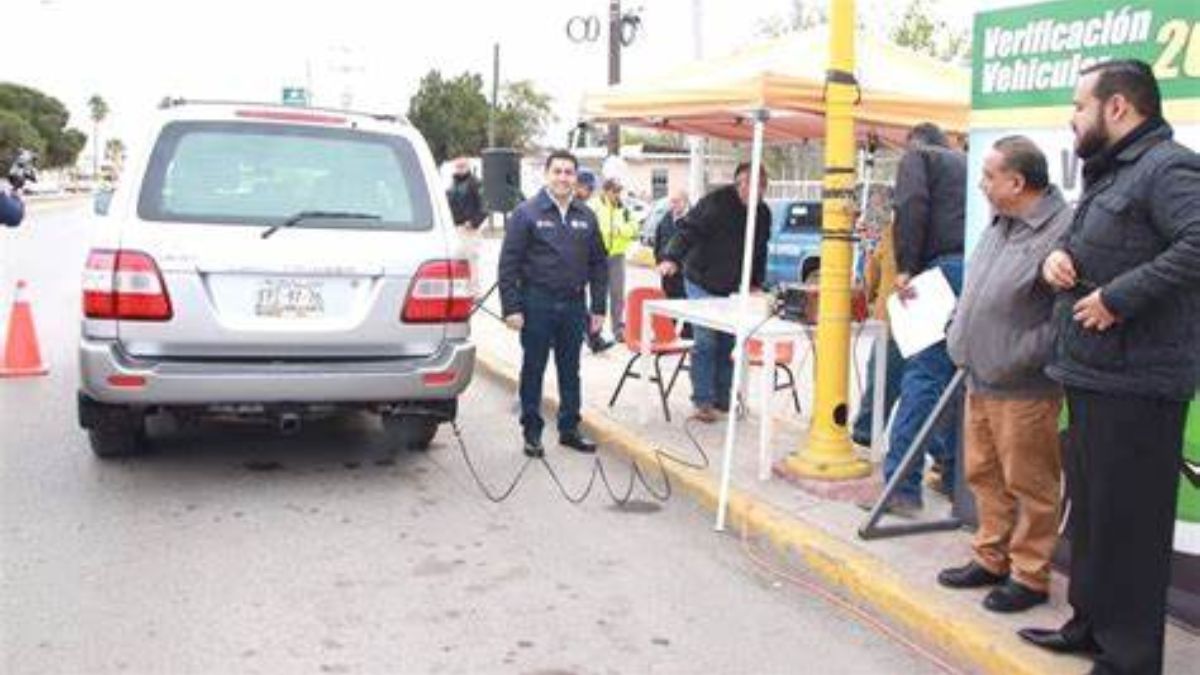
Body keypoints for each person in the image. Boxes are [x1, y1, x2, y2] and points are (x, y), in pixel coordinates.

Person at [1020, 60, 1200, 674]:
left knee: (1131, 525)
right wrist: (1058, 261)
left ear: (1117, 107)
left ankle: (1130, 657)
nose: (1072, 117)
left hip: (1141, 382)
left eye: (1079, 106)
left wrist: (1119, 298)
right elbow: (1087, 243)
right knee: (1095, 515)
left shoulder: (1169, 167)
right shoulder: (1110, 173)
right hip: (1095, 375)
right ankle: (1089, 626)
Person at [938, 136, 1072, 614]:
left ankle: (1030, 576)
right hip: (979, 377)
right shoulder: (1001, 223)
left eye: (989, 176)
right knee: (984, 474)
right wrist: (959, 332)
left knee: (1031, 483)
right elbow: (978, 289)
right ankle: (990, 558)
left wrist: (1016, 357)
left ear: (1016, 182)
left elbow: (1066, 316)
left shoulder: (1064, 229)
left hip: (1024, 386)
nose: (981, 184)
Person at [876, 122, 967, 517]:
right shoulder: (967, 163)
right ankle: (951, 477)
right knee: (956, 382)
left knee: (925, 376)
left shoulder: (919, 158)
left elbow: (910, 205)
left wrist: (906, 267)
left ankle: (901, 487)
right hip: (979, 272)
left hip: (940, 270)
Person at [497, 150, 609, 458]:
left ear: (576, 178)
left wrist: (599, 307)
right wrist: (512, 308)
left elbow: (599, 263)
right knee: (533, 368)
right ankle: (532, 432)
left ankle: (569, 429)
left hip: (574, 305)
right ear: (547, 175)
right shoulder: (526, 213)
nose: (563, 178)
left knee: (570, 370)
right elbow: (509, 264)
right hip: (537, 303)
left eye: (569, 172)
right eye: (557, 171)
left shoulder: (586, 215)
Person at [657, 162, 771, 423]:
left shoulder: (763, 213)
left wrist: (756, 282)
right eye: (748, 185)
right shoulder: (716, 203)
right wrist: (672, 258)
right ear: (737, 184)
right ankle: (703, 402)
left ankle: (724, 399)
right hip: (701, 280)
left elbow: (760, 250)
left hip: (733, 287)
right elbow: (688, 230)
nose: (754, 191)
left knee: (729, 342)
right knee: (707, 340)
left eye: (760, 186)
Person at [591, 177, 640, 343]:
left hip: (617, 256)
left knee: (617, 294)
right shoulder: (594, 206)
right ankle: (594, 331)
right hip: (597, 256)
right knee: (598, 294)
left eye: (619, 191)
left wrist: (620, 230)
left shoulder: (624, 209)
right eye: (614, 191)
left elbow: (634, 228)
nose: (617, 194)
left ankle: (618, 330)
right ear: (605, 191)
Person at [573, 168, 613, 354]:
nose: (590, 193)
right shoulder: (571, 208)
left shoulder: (586, 211)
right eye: (588, 188)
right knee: (578, 306)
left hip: (587, 262)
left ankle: (594, 338)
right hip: (570, 269)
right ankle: (593, 339)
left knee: (582, 306)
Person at [446, 157, 487, 293]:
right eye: (458, 166)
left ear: (469, 167)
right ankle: (459, 288)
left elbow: (485, 206)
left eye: (463, 166)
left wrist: (474, 222)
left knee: (471, 259)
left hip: (470, 229)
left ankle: (474, 290)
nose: (460, 169)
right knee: (456, 258)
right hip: (455, 228)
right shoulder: (452, 184)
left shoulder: (476, 183)